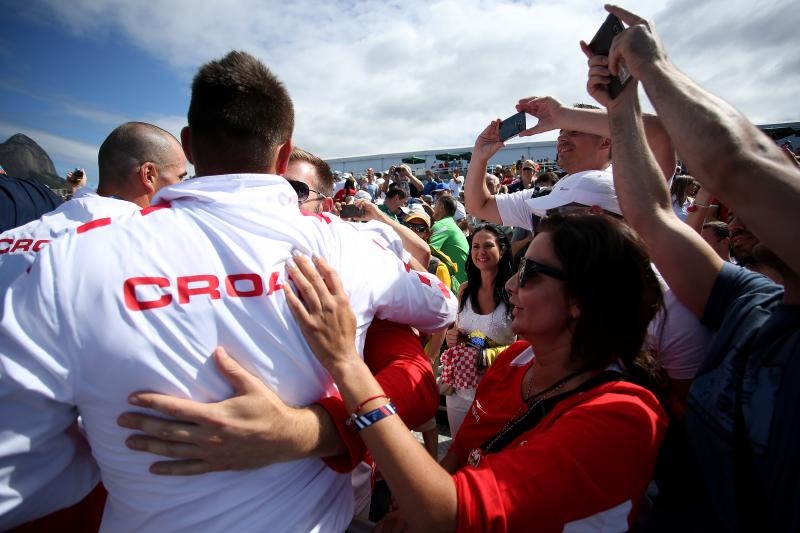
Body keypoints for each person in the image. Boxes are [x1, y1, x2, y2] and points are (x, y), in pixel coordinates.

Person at [0, 51, 456, 531]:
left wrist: (121, 447)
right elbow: (441, 304)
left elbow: (19, 469)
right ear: (284, 157)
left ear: (190, 147)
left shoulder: (71, 261)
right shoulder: (347, 248)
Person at [278, 212, 668, 531]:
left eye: (531, 274)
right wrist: (413, 505)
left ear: (582, 299)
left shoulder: (623, 416)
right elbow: (462, 452)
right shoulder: (516, 362)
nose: (512, 284)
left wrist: (345, 362)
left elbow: (446, 515)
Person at [586, 5, 800, 530]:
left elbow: (735, 165)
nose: (742, 214)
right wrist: (621, 106)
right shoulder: (749, 304)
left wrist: (654, 66)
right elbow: (652, 217)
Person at [1, 122, 187, 286]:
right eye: (180, 178)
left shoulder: (13, 238)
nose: (183, 187)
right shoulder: (150, 253)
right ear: (148, 175)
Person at [440, 223, 516, 435]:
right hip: (460, 388)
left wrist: (487, 355)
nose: (480, 252)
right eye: (475, 246)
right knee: (458, 446)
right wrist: (452, 336)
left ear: (502, 250)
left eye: (488, 245)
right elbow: (458, 331)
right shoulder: (465, 290)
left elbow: (525, 346)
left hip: (496, 390)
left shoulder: (513, 293)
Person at [430, 194, 469, 286]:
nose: (434, 208)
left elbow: (426, 252)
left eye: (435, 205)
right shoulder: (450, 224)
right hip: (461, 283)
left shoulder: (441, 225)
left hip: (455, 286)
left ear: (441, 207)